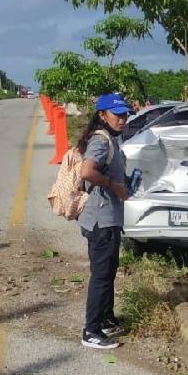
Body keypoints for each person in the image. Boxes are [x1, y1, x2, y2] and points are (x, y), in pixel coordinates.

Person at [77, 93, 132, 349]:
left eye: (125, 114)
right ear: (102, 115)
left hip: (108, 219)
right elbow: (87, 171)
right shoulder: (101, 140)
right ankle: (91, 331)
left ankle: (107, 319)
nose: (123, 118)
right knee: (101, 275)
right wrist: (114, 186)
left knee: (108, 272)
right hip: (101, 221)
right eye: (117, 114)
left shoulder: (111, 138)